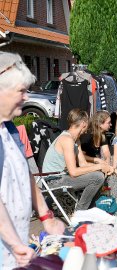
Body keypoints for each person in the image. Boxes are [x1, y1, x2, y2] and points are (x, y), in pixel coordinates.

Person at [0, 52, 65, 269]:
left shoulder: (9, 129)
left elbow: (26, 174)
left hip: (15, 246)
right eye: (21, 91)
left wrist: (46, 217)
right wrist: (15, 243)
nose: (26, 97)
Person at [43, 109, 111, 210]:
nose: (88, 126)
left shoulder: (75, 139)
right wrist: (99, 166)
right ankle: (80, 212)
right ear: (83, 123)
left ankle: (91, 209)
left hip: (61, 177)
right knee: (97, 177)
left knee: (99, 174)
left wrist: (106, 167)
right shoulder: (67, 140)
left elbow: (83, 164)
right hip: (53, 182)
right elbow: (73, 172)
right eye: (87, 122)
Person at [80, 110, 117, 198]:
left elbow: (106, 153)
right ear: (100, 124)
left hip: (95, 164)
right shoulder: (87, 137)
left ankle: (111, 198)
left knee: (114, 169)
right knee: (113, 175)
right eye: (108, 123)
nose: (111, 125)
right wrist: (97, 160)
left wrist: (107, 162)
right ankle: (111, 197)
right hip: (85, 166)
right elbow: (80, 157)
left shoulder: (102, 135)